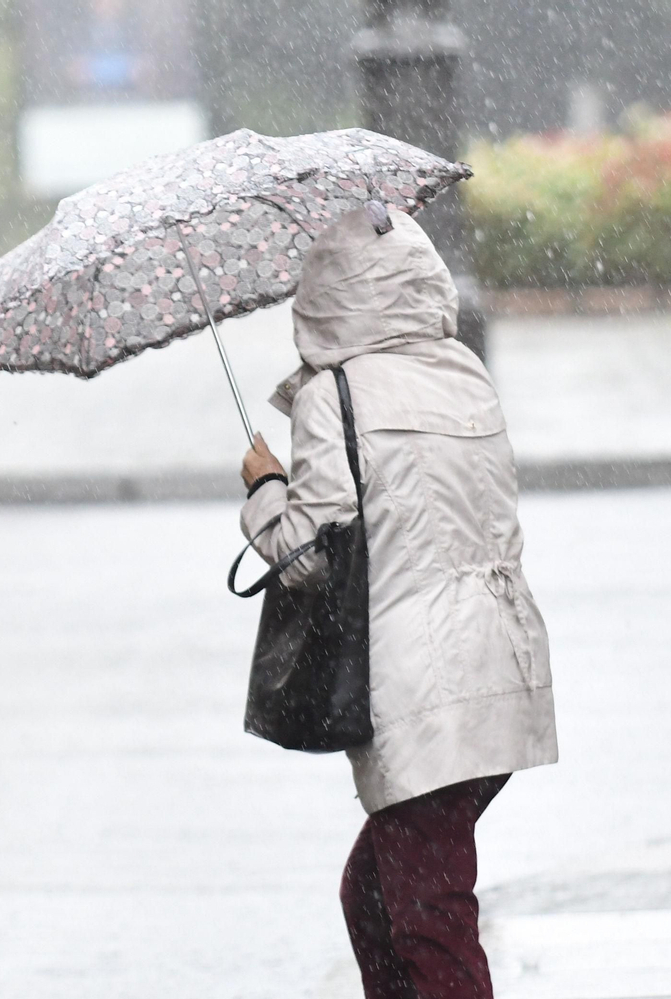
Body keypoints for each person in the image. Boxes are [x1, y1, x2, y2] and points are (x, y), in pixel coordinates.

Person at [237, 204, 558, 999]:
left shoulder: (333, 396)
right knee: (379, 897)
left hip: (421, 684)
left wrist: (263, 489)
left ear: (324, 297)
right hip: (503, 664)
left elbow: (308, 557)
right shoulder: (462, 369)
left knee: (427, 917)